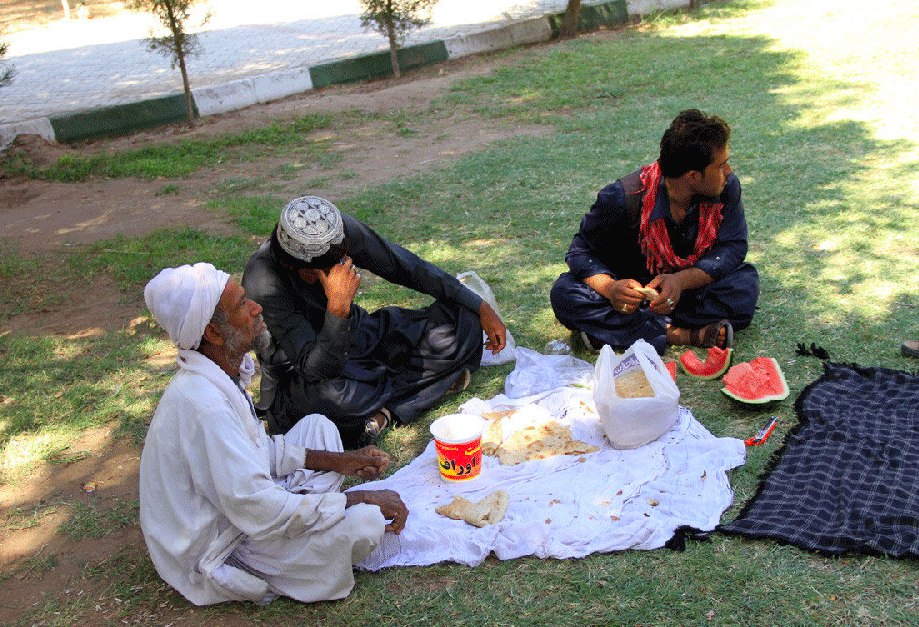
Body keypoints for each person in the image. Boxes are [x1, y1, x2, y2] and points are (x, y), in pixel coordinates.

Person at [139, 262, 408, 606]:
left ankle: (307, 511)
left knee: (320, 427)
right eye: (240, 305)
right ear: (214, 334)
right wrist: (357, 498)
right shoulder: (203, 405)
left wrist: (342, 461)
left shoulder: (215, 375)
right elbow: (257, 506)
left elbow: (255, 450)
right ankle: (307, 531)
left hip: (243, 511)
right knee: (366, 523)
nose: (256, 308)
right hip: (223, 546)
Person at [242, 196, 507, 446]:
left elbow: (402, 265)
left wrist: (478, 304)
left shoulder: (334, 231)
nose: (337, 271)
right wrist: (337, 307)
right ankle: (410, 393)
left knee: (465, 323)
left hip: (359, 337)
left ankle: (384, 409)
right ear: (294, 266)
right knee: (335, 400)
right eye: (324, 271)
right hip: (309, 377)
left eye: (341, 263)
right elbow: (315, 369)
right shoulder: (264, 281)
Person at [550, 109, 759, 355]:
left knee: (743, 287)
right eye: (721, 165)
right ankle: (681, 334)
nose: (729, 171)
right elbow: (580, 253)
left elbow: (733, 247)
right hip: (630, 295)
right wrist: (612, 289)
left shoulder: (726, 189)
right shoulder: (622, 197)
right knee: (565, 294)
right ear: (692, 176)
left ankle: (617, 331)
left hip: (687, 291)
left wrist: (680, 281)